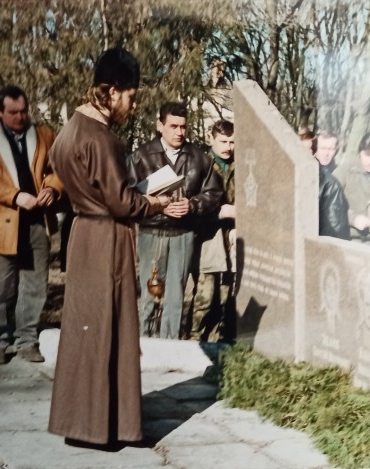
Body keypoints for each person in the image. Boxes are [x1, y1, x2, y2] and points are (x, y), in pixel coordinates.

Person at [48, 47, 168, 447]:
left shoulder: (68, 131)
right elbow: (122, 202)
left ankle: (84, 422)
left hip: (83, 234)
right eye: (131, 97)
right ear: (113, 91)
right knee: (109, 328)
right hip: (107, 238)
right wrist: (154, 201)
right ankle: (107, 427)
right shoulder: (102, 138)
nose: (131, 106)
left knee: (85, 330)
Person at [0, 85, 63, 364]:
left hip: (37, 221)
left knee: (34, 285)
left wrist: (52, 189)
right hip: (1, 222)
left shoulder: (44, 135)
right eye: (13, 113)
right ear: (0, 111)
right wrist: (15, 196)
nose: (20, 117)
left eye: (24, 111)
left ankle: (27, 340)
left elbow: (57, 170)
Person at [128, 102, 222, 339]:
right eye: (173, 126)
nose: (179, 132)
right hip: (152, 233)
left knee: (176, 295)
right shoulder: (140, 156)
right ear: (160, 126)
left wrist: (192, 205)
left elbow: (214, 194)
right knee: (150, 292)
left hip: (183, 234)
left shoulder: (200, 158)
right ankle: (143, 345)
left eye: (183, 126)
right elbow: (127, 195)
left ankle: (169, 347)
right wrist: (157, 206)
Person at [188, 119, 236, 341]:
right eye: (223, 141)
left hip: (232, 235)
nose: (228, 146)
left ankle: (216, 342)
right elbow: (192, 202)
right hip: (207, 234)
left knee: (225, 294)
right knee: (205, 295)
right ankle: (194, 338)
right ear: (212, 139)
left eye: (232, 141)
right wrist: (217, 212)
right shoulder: (201, 163)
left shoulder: (240, 164)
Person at [312, 131, 350, 240]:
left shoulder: (340, 174)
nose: (327, 153)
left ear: (336, 151)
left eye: (331, 149)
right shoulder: (309, 171)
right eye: (323, 148)